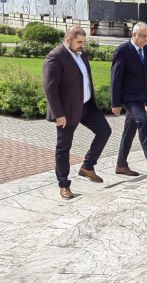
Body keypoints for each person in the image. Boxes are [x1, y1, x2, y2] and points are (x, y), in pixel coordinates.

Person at [43, 26, 112, 199]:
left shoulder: (82, 55)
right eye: (79, 42)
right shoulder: (55, 57)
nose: (82, 45)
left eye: (83, 42)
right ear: (69, 40)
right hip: (66, 112)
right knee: (63, 148)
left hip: (87, 106)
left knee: (105, 131)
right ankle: (64, 184)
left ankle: (87, 166)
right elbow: (50, 89)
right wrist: (58, 114)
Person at [111, 22, 147, 176]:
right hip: (128, 98)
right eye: (144, 36)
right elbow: (116, 78)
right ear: (134, 35)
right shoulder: (123, 50)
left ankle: (121, 165)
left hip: (141, 97)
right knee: (143, 121)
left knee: (129, 132)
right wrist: (115, 103)